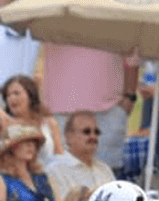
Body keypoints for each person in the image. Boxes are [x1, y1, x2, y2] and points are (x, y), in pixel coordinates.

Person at [41, 29, 136, 172]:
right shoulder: (49, 8)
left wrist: (130, 97)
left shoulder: (117, 11)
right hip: (61, 114)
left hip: (109, 112)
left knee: (107, 180)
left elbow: (132, 54)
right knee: (61, 176)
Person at [0, 75, 64, 165]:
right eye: (8, 95)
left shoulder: (49, 122)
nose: (11, 98)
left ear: (30, 95)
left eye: (16, 93)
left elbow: (59, 156)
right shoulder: (2, 121)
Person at [45, 111, 116, 201]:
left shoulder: (104, 169)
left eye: (96, 132)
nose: (93, 136)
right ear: (69, 137)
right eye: (86, 132)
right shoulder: (55, 171)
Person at [0, 125, 57, 201]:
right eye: (25, 142)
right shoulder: (2, 179)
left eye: (33, 143)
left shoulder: (42, 177)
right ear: (12, 148)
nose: (30, 146)